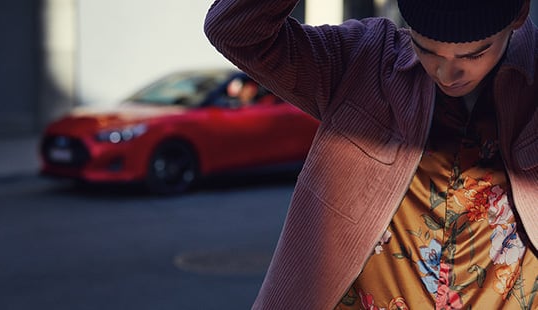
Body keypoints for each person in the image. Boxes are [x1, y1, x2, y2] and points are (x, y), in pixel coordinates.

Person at [204, 0, 538, 309]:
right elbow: (234, 30)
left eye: (473, 55)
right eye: (427, 50)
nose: (446, 75)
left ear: (518, 15)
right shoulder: (364, 60)